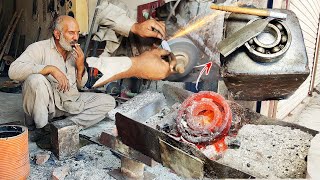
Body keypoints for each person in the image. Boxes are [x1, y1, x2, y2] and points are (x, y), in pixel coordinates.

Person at [8, 15, 173, 130]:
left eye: (78, 33)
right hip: (48, 105)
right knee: (35, 80)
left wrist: (81, 67)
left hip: (70, 102)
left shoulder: (74, 53)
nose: (76, 37)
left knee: (108, 102)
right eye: (71, 33)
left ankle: (64, 126)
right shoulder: (39, 48)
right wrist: (50, 69)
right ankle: (41, 129)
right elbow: (13, 71)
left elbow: (81, 86)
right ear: (57, 34)